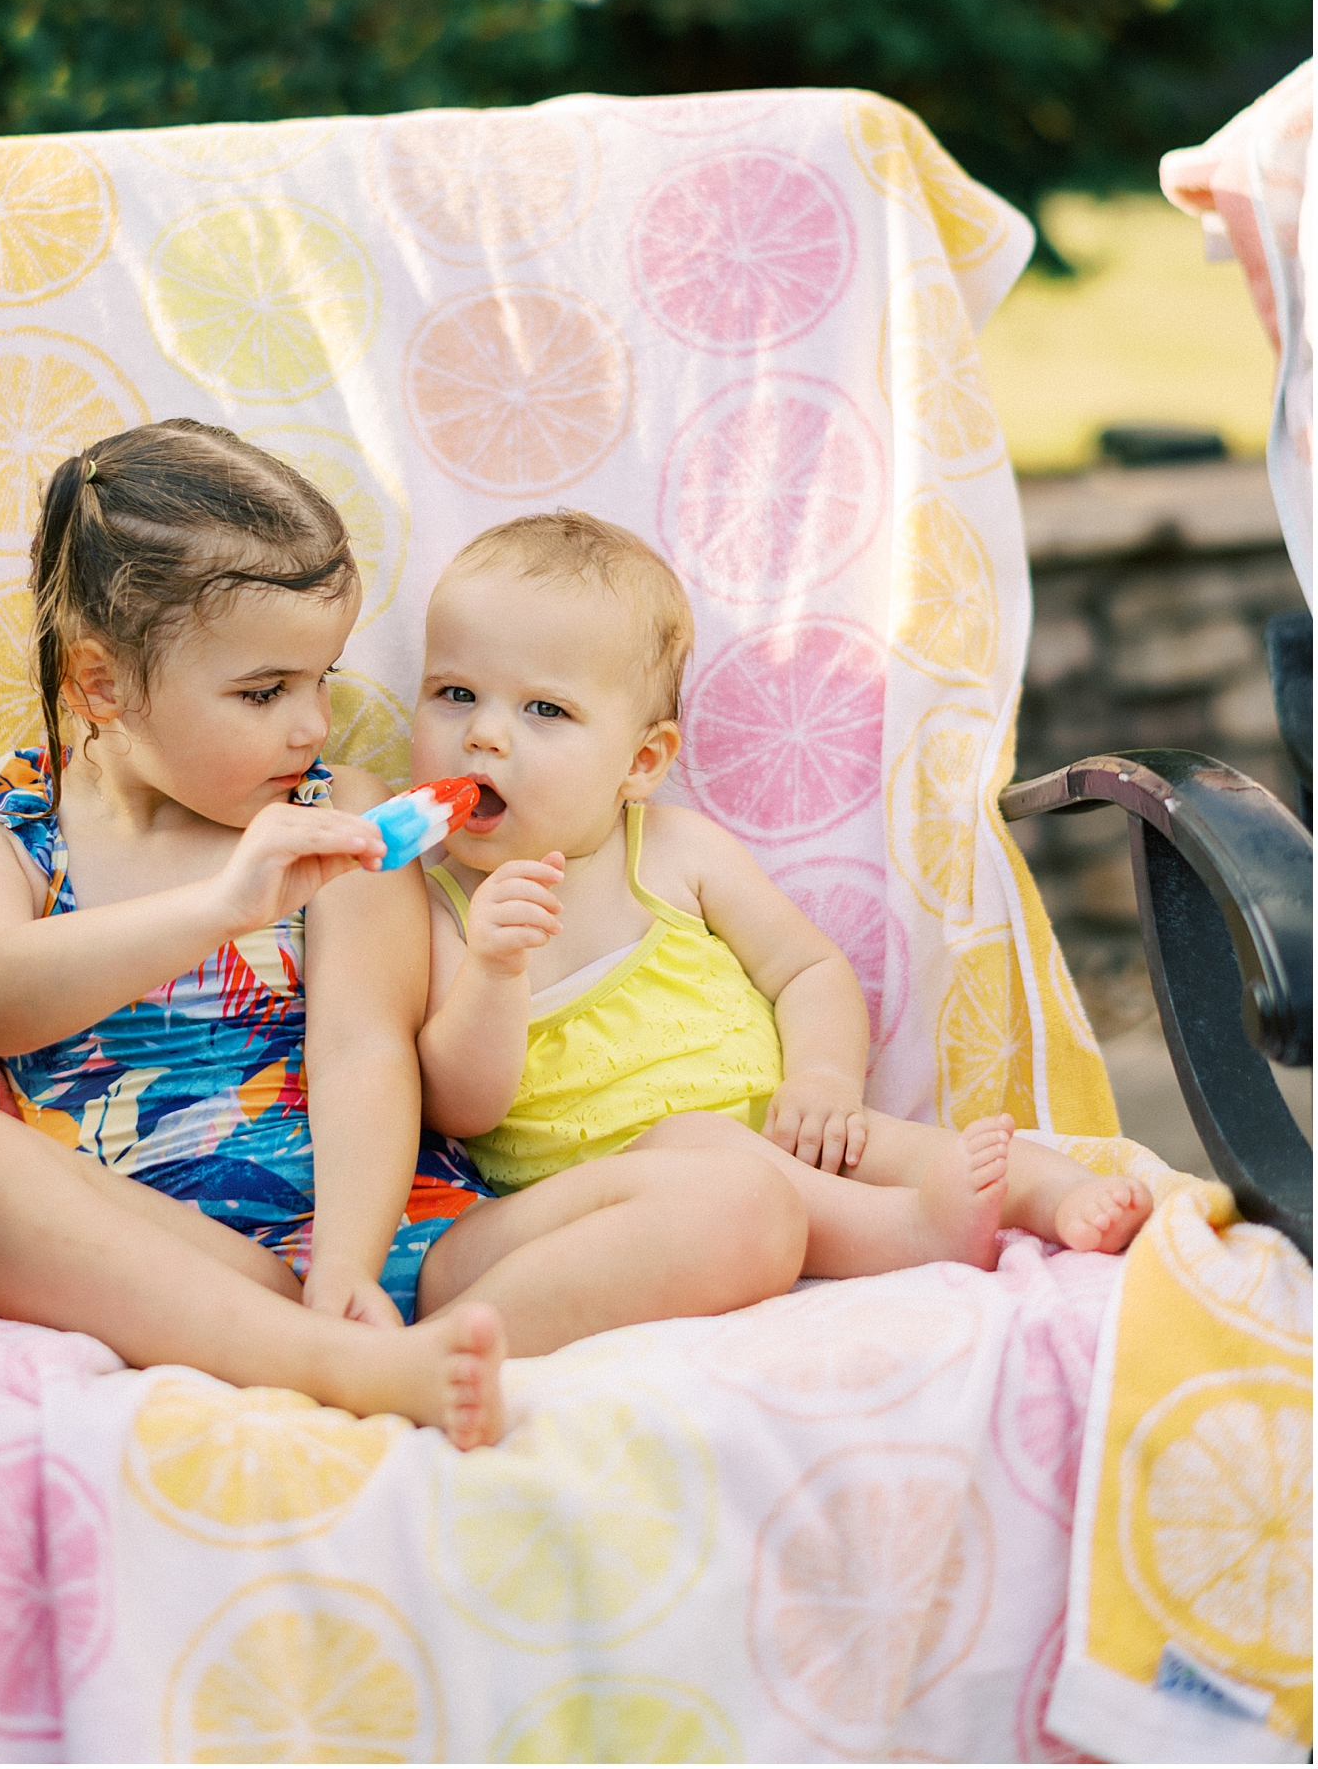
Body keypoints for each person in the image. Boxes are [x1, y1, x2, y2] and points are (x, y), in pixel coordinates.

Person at [0, 420, 506, 1448]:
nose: (312, 724)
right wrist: (223, 907)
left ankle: (347, 1345)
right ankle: (340, 1368)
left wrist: (348, 1268)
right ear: (100, 685)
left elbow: (366, 1045)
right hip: (175, 1265)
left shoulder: (343, 816)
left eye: (321, 678)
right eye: (263, 692)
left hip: (384, 1243)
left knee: (725, 1198)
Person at [406, 510, 1154, 1330]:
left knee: (893, 1144)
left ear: (642, 763)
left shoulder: (675, 854)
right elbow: (459, 1108)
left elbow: (806, 970)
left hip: (777, 1125)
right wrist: (494, 972)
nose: (483, 734)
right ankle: (911, 1232)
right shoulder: (442, 905)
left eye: (544, 710)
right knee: (696, 1145)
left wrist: (822, 1080)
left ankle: (1057, 1195)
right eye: (455, 694)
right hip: (619, 1190)